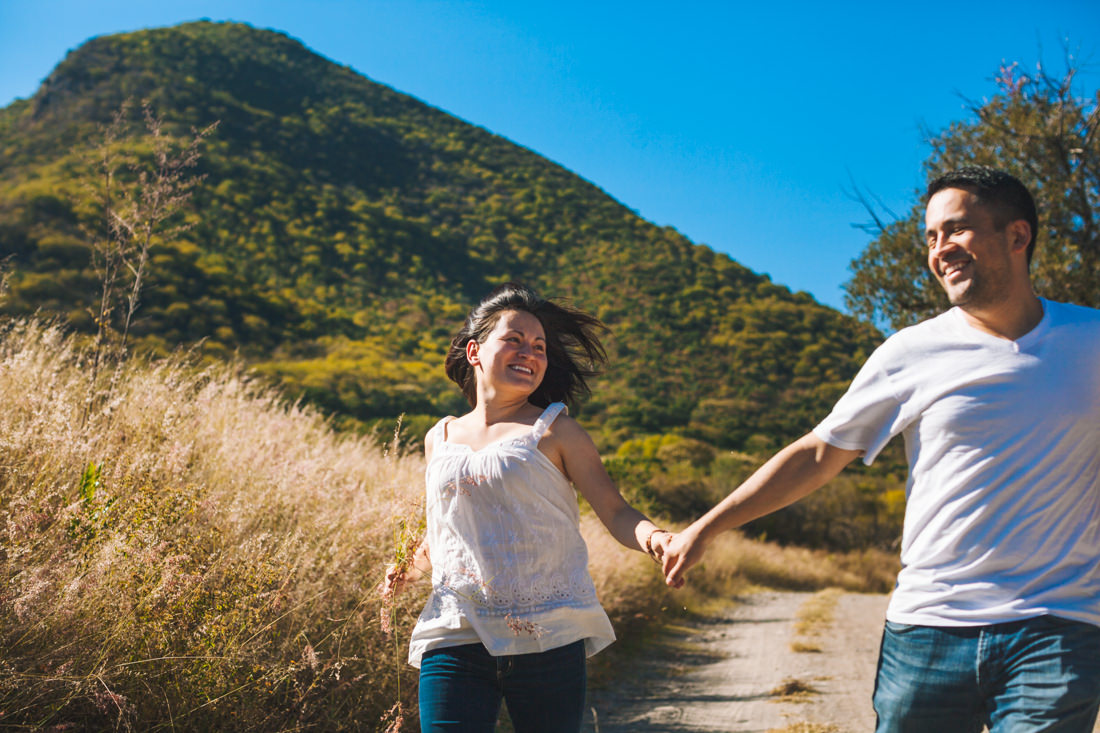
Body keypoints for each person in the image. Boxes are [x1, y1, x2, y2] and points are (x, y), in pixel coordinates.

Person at [661, 166, 1100, 732]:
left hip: (1057, 625)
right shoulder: (910, 353)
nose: (941, 249)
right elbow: (819, 454)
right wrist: (707, 527)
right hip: (928, 627)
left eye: (957, 230)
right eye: (932, 237)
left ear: (1018, 237)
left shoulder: (1090, 342)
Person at [383, 283, 672, 733]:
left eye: (538, 347)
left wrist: (655, 538)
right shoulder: (439, 437)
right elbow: (446, 531)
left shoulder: (556, 430)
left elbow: (615, 512)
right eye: (514, 340)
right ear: (476, 352)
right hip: (455, 630)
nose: (529, 353)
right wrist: (407, 567)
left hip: (547, 636)